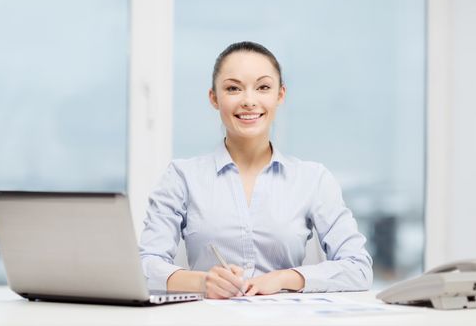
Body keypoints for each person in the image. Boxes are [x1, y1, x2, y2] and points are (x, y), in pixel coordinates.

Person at [139, 41, 373, 299]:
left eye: (263, 87)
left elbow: (358, 268)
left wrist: (285, 278)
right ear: (214, 98)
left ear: (280, 95)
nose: (249, 101)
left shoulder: (313, 179)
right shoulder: (182, 177)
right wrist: (201, 282)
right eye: (233, 88)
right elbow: (144, 265)